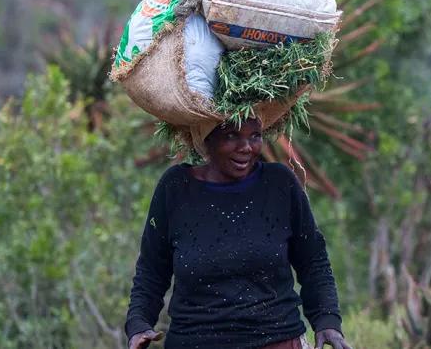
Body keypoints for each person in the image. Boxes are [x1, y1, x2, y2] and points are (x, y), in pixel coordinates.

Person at [125, 118, 351, 349]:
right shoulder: (175, 188)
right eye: (232, 136)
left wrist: (327, 321)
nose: (246, 147)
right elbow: (152, 270)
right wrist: (138, 324)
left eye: (255, 136)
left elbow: (313, 261)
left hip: (277, 341)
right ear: (206, 139)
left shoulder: (279, 184)